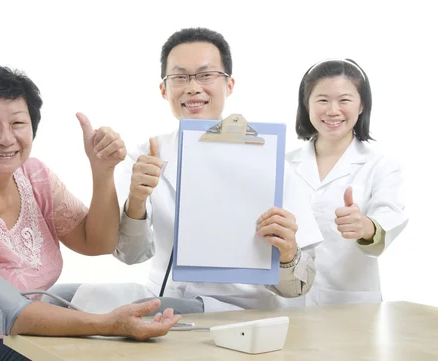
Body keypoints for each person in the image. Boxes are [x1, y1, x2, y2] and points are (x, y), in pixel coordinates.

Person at [0, 63, 181, 361]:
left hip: (13, 338)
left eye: (17, 124)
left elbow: (97, 242)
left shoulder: (35, 178)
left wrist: (102, 171)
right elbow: (8, 313)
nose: (6, 137)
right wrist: (108, 324)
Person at [48, 27, 318, 314]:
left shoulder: (272, 161)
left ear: (229, 85)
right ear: (164, 89)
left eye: (205, 75)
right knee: (50, 298)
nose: (192, 87)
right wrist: (136, 201)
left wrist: (288, 255)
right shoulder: (146, 155)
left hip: (239, 309)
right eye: (180, 77)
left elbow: (299, 286)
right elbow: (129, 255)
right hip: (160, 299)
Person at [284, 58, 408, 305]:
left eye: (344, 100)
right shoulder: (283, 165)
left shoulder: (381, 167)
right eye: (322, 100)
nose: (332, 110)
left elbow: (390, 216)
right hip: (288, 300)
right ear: (306, 105)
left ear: (362, 105)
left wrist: (366, 227)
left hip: (350, 304)